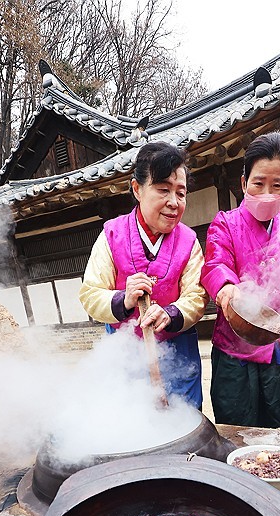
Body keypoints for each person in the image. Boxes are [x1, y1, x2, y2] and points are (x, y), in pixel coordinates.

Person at [201, 131, 280, 430]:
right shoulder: (225, 223)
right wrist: (227, 287)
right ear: (243, 183)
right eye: (258, 183)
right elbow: (216, 263)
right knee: (238, 437)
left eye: (276, 185)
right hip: (234, 353)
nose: (267, 192)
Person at [79, 142, 208, 408]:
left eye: (181, 193)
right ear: (137, 189)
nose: (173, 202)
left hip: (178, 352)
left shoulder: (189, 241)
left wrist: (171, 313)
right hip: (126, 354)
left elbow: (196, 295)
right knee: (132, 426)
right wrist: (123, 300)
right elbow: (91, 293)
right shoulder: (112, 235)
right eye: (163, 190)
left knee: (184, 425)